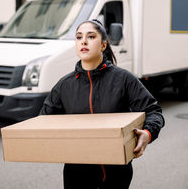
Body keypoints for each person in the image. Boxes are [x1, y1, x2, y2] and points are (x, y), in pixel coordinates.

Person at [40, 19, 165, 189]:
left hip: (117, 172)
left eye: (91, 36)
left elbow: (153, 111)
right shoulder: (64, 85)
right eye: (78, 37)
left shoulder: (123, 79)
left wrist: (148, 133)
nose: (83, 41)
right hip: (76, 174)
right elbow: (43, 121)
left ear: (103, 45)